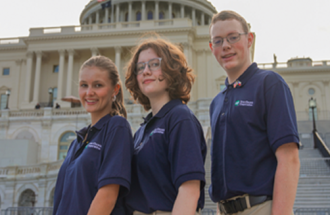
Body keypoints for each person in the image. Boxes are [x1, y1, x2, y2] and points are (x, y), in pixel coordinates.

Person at [208, 10, 300, 215]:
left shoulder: (269, 83)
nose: (226, 46)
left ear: (249, 39)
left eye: (233, 37)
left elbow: (289, 157)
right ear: (211, 47)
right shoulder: (217, 102)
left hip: (260, 208)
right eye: (218, 40)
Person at [125, 37, 207, 215]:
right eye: (140, 67)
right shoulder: (142, 131)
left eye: (154, 64)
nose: (146, 71)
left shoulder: (180, 118)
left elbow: (189, 190)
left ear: (171, 69)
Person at [53, 56, 133, 215]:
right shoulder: (77, 142)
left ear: (115, 90)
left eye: (98, 85)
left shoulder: (117, 127)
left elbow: (107, 197)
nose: (89, 93)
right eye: (84, 85)